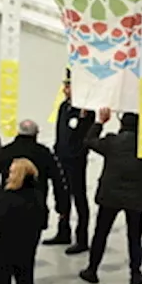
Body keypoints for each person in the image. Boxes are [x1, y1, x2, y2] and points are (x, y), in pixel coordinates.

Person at [79, 110, 142, 284]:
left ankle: (92, 269)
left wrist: (99, 123)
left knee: (101, 233)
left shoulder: (112, 141)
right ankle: (135, 273)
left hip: (110, 195)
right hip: (135, 196)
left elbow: (88, 141)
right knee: (135, 235)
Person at [0, 120, 65, 219]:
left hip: (8, 206)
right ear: (36, 134)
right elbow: (58, 181)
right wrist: (62, 208)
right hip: (36, 207)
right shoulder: (45, 153)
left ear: (18, 132)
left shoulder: (5, 152)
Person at [48, 72, 94, 253]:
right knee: (62, 196)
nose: (66, 90)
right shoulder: (63, 107)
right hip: (61, 158)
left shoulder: (85, 111)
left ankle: (82, 238)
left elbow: (86, 135)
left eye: (69, 86)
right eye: (65, 86)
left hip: (76, 161)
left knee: (79, 198)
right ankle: (63, 230)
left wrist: (84, 117)